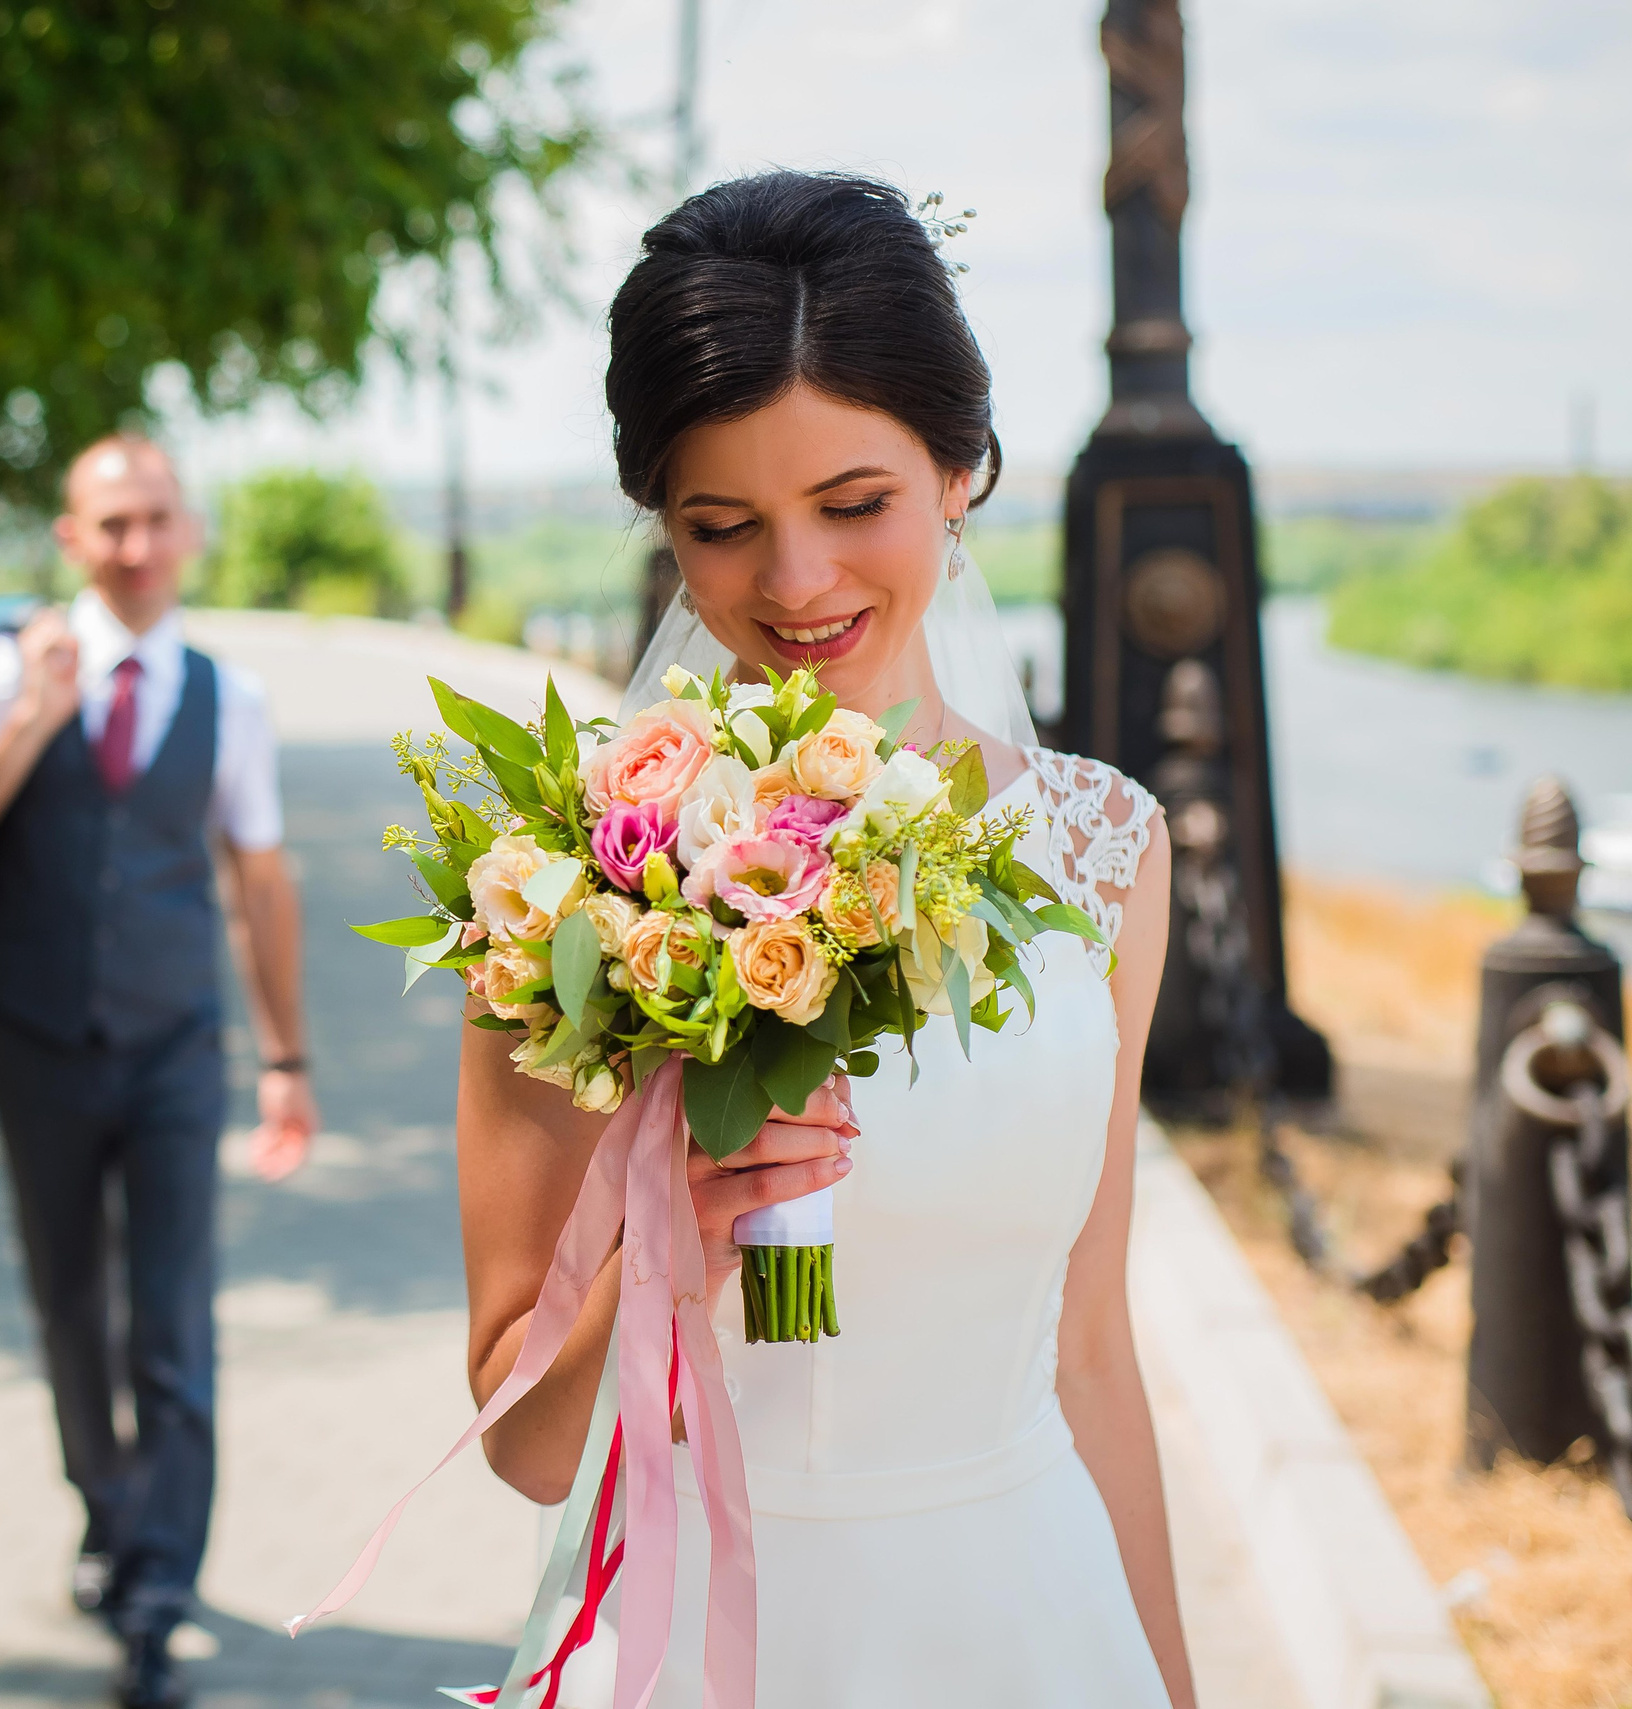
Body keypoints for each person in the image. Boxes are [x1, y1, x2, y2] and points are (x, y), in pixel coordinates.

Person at [456, 173, 1195, 1705]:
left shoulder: (1106, 851)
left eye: (855, 506)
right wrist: (668, 1245)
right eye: (722, 527)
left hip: (1026, 1620)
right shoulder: (569, 883)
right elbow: (525, 1450)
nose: (796, 584)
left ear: (961, 471)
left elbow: (1091, 1350)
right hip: (702, 1639)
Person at [0, 435, 319, 1709]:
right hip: (39, 1044)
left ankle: (155, 1590)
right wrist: (30, 716)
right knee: (73, 1308)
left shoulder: (230, 699)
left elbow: (258, 880)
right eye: (110, 524)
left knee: (172, 1320)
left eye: (155, 519)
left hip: (176, 1046)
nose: (135, 545)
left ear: (190, 532)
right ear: (71, 539)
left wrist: (286, 1057)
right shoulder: (7, 670)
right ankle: (106, 1508)